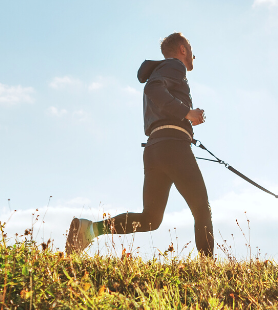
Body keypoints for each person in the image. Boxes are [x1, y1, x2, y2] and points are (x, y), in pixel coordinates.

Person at [65, 32, 213, 257]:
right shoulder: (175, 66)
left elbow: (156, 94)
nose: (194, 55)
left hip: (155, 148)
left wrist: (187, 119)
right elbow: (153, 89)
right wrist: (187, 112)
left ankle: (90, 229)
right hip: (173, 147)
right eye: (191, 49)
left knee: (151, 219)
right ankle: (207, 270)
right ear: (183, 49)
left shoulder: (162, 69)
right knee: (202, 209)